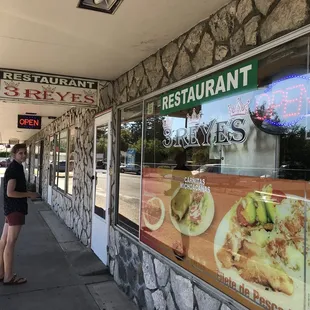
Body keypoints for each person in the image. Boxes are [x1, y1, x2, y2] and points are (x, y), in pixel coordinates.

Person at [0, 144, 38, 285]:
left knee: (4, 241)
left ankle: (1, 273)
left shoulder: (15, 167)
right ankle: (9, 277)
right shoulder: (14, 169)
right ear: (14, 154)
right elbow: (10, 192)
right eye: (20, 153)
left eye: (24, 153)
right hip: (15, 210)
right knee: (10, 243)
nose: (23, 155)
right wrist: (29, 194)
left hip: (10, 209)